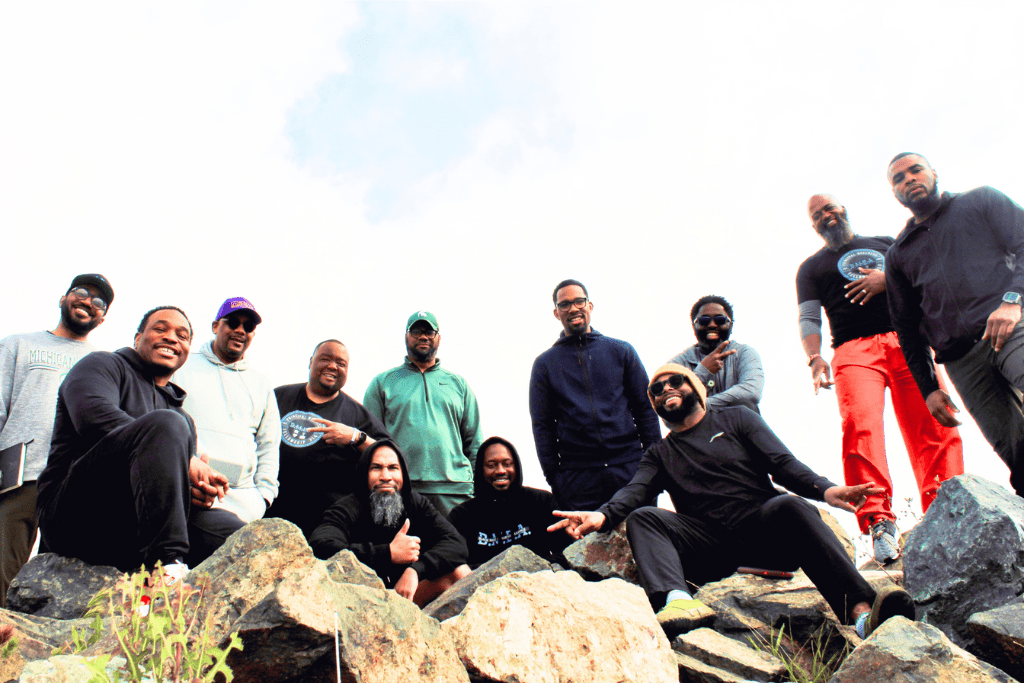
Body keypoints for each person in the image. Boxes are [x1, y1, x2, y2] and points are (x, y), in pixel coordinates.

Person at [549, 364, 916, 639]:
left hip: (764, 535)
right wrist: (601, 516)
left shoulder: (737, 418)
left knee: (790, 506)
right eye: (656, 389)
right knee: (645, 517)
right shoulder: (659, 453)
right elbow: (635, 491)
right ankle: (678, 602)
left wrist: (826, 490)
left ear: (695, 388)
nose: (665, 390)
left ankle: (863, 615)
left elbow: (782, 464)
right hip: (711, 547)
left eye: (674, 381)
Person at [798, 194, 963, 563]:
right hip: (852, 350)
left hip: (907, 340)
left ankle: (945, 507)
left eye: (830, 208)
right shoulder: (811, 268)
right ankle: (878, 521)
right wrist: (814, 357)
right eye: (817, 214)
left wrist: (886, 279)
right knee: (860, 427)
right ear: (814, 225)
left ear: (843, 209)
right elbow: (808, 317)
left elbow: (920, 277)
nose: (826, 215)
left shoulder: (886, 244)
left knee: (934, 422)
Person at [36, 306, 229, 580]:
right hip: (75, 516)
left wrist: (196, 490)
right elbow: (91, 418)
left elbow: (164, 484)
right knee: (166, 425)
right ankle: (166, 569)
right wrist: (187, 460)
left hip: (134, 526)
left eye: (182, 336)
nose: (172, 338)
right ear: (138, 338)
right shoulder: (102, 365)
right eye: (160, 329)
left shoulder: (183, 419)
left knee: (237, 533)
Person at [885, 153, 1024, 496]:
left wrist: (1013, 301)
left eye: (916, 170)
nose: (909, 179)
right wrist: (928, 388)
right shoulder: (898, 254)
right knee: (1016, 453)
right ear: (895, 192)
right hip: (962, 362)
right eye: (899, 178)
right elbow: (907, 326)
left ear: (934, 173)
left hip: (1010, 327)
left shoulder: (981, 200)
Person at [0, 273, 113, 605]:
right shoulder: (18, 344)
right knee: (3, 566)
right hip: (19, 475)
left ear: (102, 318)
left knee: (58, 580)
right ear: (63, 298)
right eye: (81, 292)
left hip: (75, 481)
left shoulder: (105, 362)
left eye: (99, 301)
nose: (88, 302)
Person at [529, 279, 661, 510]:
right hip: (578, 480)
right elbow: (543, 427)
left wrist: (652, 467)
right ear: (556, 313)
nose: (573, 308)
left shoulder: (621, 351)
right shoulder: (545, 365)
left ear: (590, 306)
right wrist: (556, 480)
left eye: (579, 301)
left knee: (642, 532)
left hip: (630, 470)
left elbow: (646, 410)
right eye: (565, 304)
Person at [173, 297, 281, 564]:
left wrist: (264, 497)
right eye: (233, 322)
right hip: (189, 497)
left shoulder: (261, 385)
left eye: (248, 326)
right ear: (215, 326)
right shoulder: (182, 367)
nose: (240, 330)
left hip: (244, 505)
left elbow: (269, 445)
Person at [309, 440, 470, 607]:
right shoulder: (349, 507)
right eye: (376, 468)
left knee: (460, 572)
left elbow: (456, 543)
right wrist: (388, 553)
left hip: (405, 596)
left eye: (393, 468)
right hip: (360, 602)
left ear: (403, 474)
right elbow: (320, 546)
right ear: (364, 473)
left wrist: (415, 570)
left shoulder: (415, 503)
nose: (385, 476)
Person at [363, 312, 483, 517]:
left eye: (429, 332)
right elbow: (370, 442)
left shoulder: (458, 384)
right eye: (416, 331)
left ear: (439, 338)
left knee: (457, 539)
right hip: (401, 489)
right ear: (406, 336)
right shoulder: (382, 383)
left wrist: (479, 489)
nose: (423, 337)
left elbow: (474, 442)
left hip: (456, 491)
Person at [268, 339, 389, 537]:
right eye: (325, 359)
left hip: (327, 524)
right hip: (273, 514)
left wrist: (355, 436)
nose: (333, 366)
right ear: (311, 362)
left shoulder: (357, 414)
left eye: (341, 363)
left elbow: (389, 455)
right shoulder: (278, 397)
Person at [449, 436, 573, 568]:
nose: (500, 471)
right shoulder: (462, 516)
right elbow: (455, 565)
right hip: (484, 580)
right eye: (491, 465)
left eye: (507, 464)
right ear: (480, 470)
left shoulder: (542, 502)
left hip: (539, 577)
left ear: (517, 466)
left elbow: (566, 552)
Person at [667, 295, 764, 413]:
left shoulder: (744, 353)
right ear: (694, 326)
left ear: (731, 325)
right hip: (694, 424)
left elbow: (751, 392)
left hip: (736, 422)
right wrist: (703, 371)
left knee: (745, 406)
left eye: (720, 320)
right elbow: (671, 404)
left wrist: (701, 405)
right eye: (704, 321)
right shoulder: (677, 364)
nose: (712, 325)